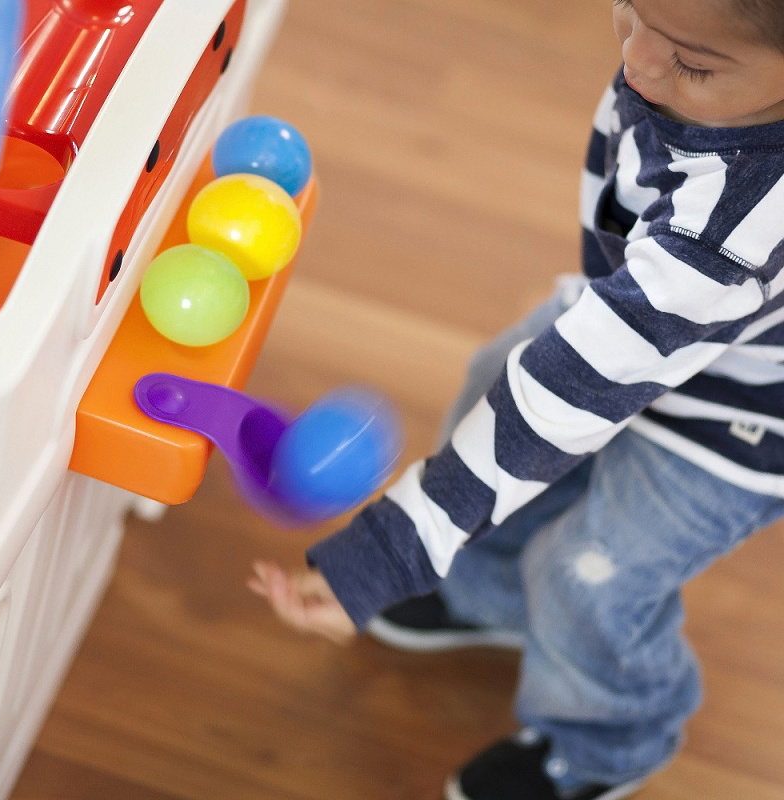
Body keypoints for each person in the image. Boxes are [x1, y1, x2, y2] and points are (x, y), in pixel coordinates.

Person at [248, 1, 784, 798]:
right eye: (630, 11)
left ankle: (611, 740)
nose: (639, 63)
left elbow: (570, 389)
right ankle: (489, 592)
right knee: (492, 382)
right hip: (644, 314)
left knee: (586, 575)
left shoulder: (741, 229)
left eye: (694, 64)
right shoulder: (685, 52)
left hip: (739, 422)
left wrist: (396, 548)